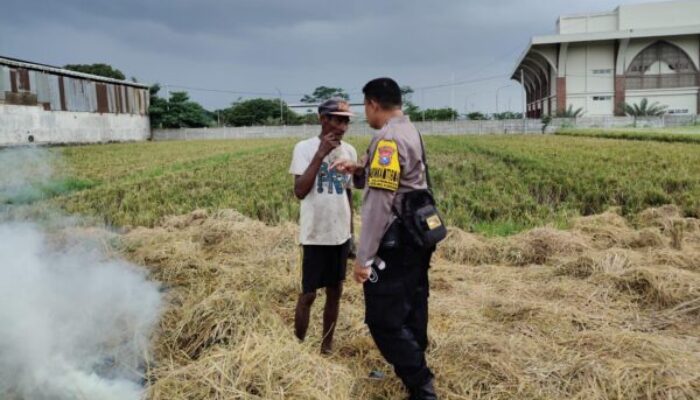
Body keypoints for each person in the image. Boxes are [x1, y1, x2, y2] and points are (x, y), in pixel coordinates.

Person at [332, 78, 438, 399]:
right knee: (413, 304)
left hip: (397, 242)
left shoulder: (388, 139)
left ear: (374, 104)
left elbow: (380, 202)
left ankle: (421, 384)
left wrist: (363, 259)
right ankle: (415, 370)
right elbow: (399, 176)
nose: (366, 114)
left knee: (383, 319)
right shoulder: (410, 130)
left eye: (365, 107)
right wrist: (357, 168)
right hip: (420, 235)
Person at [288, 98, 358, 355]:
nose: (342, 126)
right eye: (337, 119)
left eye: (346, 121)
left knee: (335, 291)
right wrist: (321, 154)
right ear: (322, 118)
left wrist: (351, 234)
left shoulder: (349, 151)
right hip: (315, 235)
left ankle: (326, 346)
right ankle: (298, 348)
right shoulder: (304, 148)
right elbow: (300, 190)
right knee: (308, 295)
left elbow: (348, 194)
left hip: (339, 235)